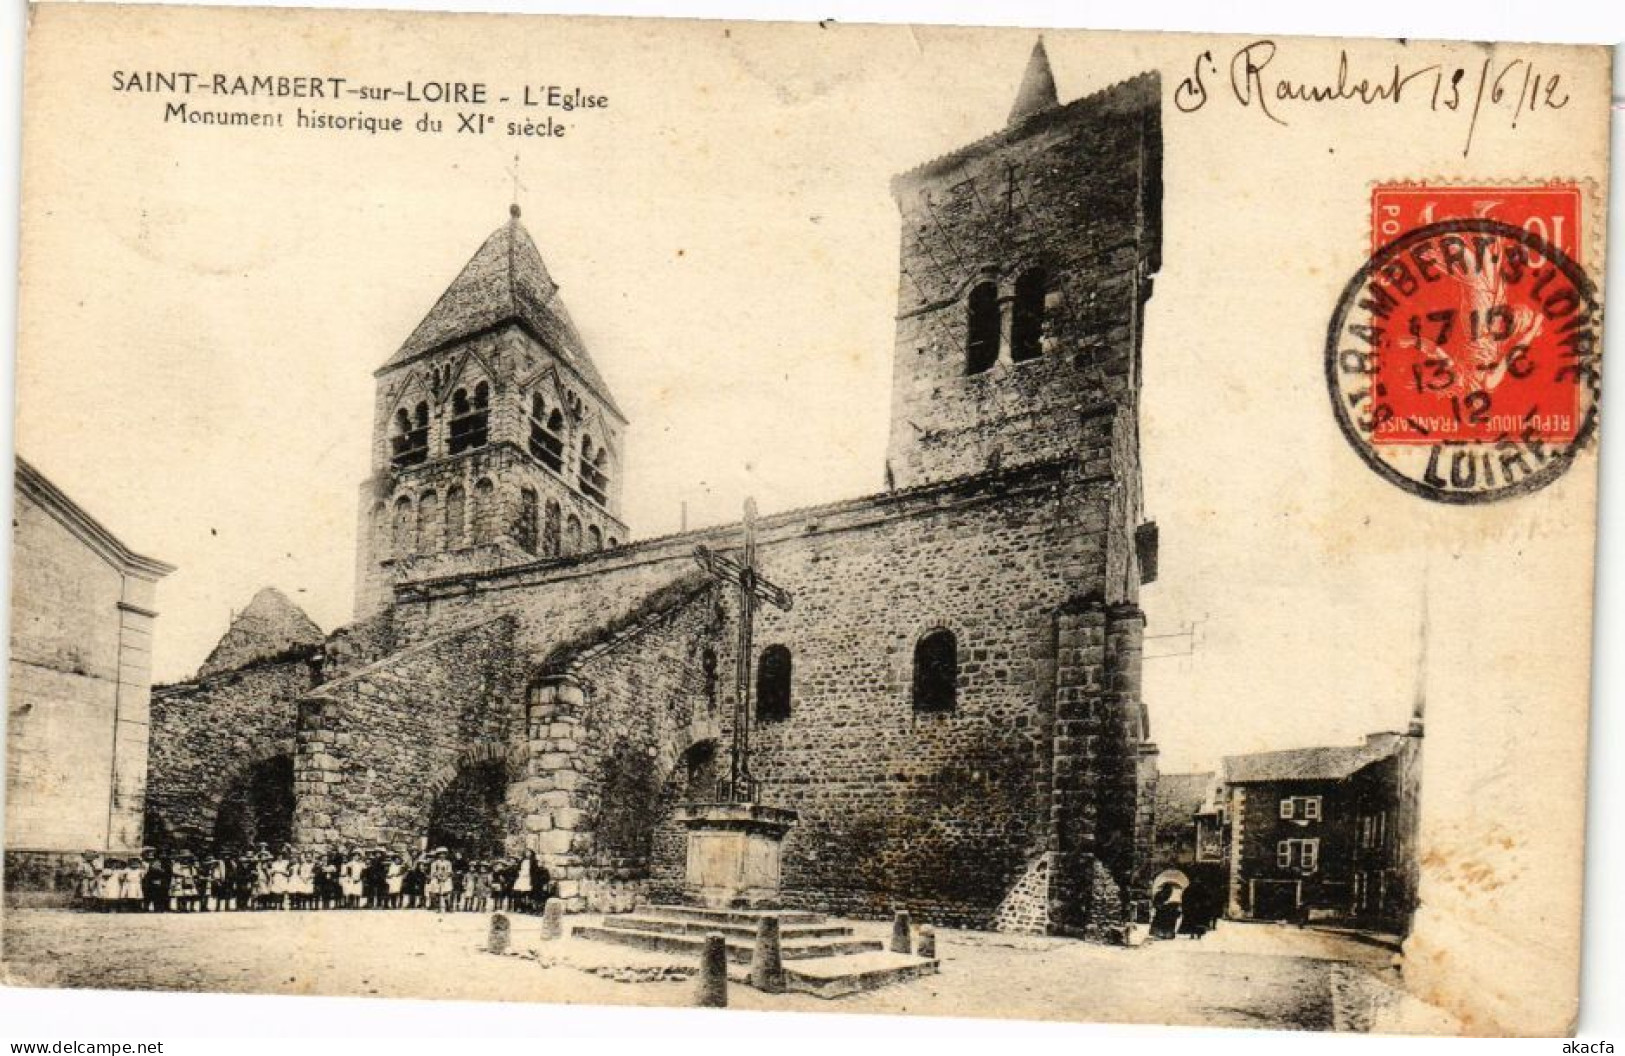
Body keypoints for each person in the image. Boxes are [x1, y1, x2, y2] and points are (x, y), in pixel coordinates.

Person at [427, 848, 453, 913]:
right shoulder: (435, 863)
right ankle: (437, 907)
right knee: (437, 893)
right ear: (438, 855)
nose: (442, 855)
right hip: (437, 879)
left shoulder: (448, 862)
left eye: (444, 854)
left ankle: (448, 907)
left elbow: (449, 871)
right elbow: (433, 871)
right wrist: (438, 877)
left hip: (445, 879)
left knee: (446, 893)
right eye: (440, 854)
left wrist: (445, 877)